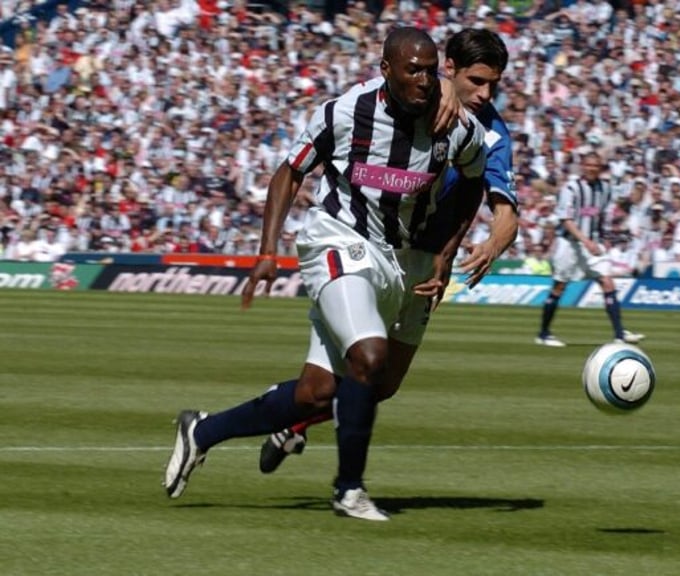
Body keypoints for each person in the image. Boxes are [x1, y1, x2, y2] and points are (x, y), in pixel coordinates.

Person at [162, 27, 487, 522]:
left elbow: (472, 181)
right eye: (412, 70)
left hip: (407, 261)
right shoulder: (345, 112)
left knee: (326, 391)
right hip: (339, 242)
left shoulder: (457, 128)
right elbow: (289, 171)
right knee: (369, 356)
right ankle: (349, 490)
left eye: (430, 70)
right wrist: (267, 250)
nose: (423, 79)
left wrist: (447, 252)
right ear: (386, 71)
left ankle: (201, 431)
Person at [257, 28, 517, 477]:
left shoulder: (489, 134)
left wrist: (489, 243)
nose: (485, 94)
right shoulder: (397, 97)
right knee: (366, 365)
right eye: (476, 82)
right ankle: (340, 476)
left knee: (381, 385)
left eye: (494, 84)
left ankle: (290, 420)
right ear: (448, 70)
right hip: (367, 246)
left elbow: (504, 210)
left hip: (423, 262)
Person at [535, 151, 644, 347]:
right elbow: (566, 220)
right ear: (583, 166)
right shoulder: (572, 188)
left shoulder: (605, 188)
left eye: (596, 166)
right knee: (559, 287)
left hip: (592, 244)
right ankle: (543, 333)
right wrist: (586, 241)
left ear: (600, 168)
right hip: (570, 245)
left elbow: (629, 198)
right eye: (589, 165)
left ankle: (619, 335)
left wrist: (640, 181)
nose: (592, 169)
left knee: (607, 283)